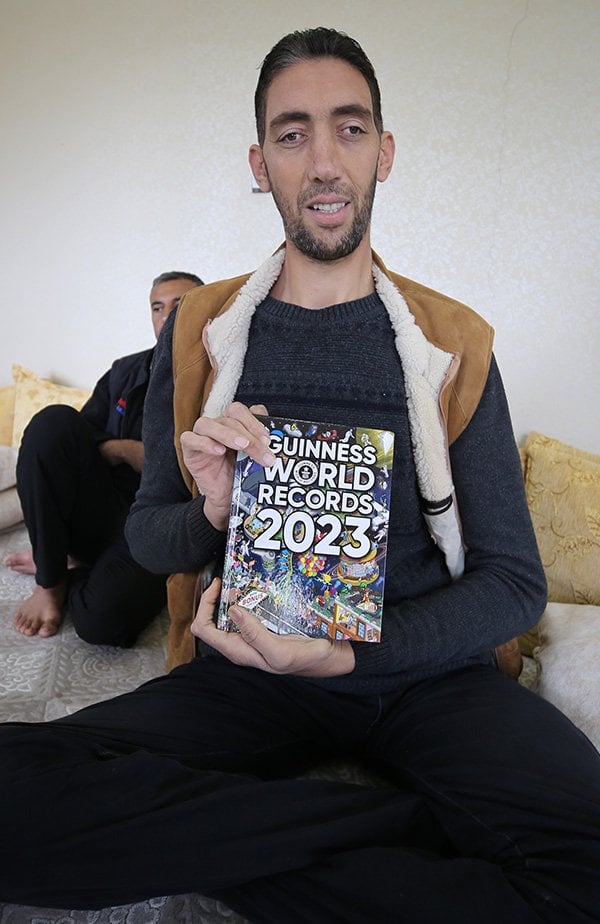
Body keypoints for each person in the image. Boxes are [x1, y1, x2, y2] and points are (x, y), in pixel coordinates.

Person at [1, 28, 600, 924]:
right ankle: (401, 828)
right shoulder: (201, 333)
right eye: (293, 134)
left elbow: (515, 583)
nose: (324, 161)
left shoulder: (454, 343)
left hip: (430, 679)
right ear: (261, 164)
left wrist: (354, 654)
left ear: (384, 153)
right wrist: (211, 507)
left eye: (349, 129)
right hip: (248, 672)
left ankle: (236, 843)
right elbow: (149, 538)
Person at [4, 270, 203, 646]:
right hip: (103, 505)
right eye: (157, 307)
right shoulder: (124, 371)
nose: (167, 316)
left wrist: (156, 460)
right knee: (52, 421)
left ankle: (66, 565)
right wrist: (123, 450)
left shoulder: (225, 375)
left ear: (206, 312)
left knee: (101, 622)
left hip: (159, 524)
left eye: (181, 305)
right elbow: (80, 436)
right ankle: (50, 580)